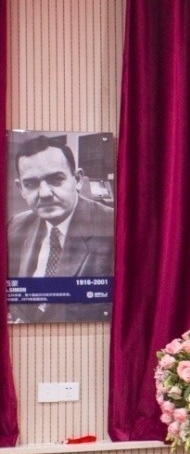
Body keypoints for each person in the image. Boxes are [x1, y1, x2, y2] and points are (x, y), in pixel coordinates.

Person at [7, 135, 114, 322]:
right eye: (30, 184)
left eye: (56, 179)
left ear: (78, 179)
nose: (44, 194)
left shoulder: (113, 225)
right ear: (21, 189)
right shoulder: (16, 226)